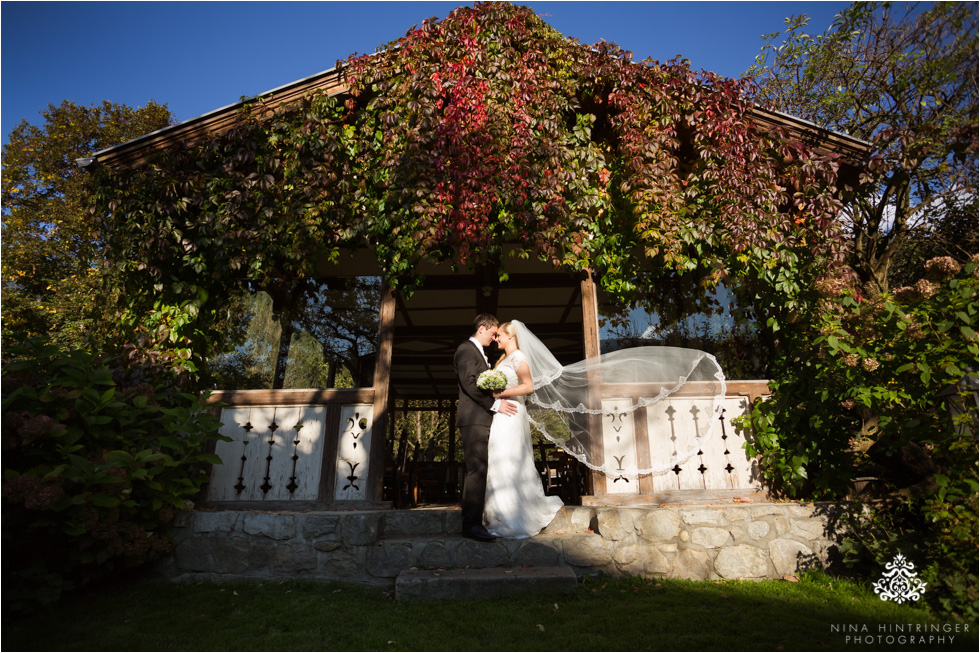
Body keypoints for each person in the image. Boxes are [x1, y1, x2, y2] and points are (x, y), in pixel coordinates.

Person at [483, 321, 564, 538]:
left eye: (499, 335)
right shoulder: (504, 359)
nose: (496, 338)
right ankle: (502, 512)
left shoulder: (519, 357)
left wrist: (501, 393)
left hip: (511, 412)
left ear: (511, 336)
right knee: (499, 456)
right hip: (502, 414)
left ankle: (515, 515)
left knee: (509, 457)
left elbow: (528, 386)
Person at [453, 314, 517, 542]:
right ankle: (470, 525)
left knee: (480, 471)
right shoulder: (466, 350)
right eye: (492, 333)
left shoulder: (479, 352)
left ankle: (475, 522)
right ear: (482, 329)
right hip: (473, 419)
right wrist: (496, 404)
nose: (494, 338)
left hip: (481, 419)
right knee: (476, 471)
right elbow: (470, 383)